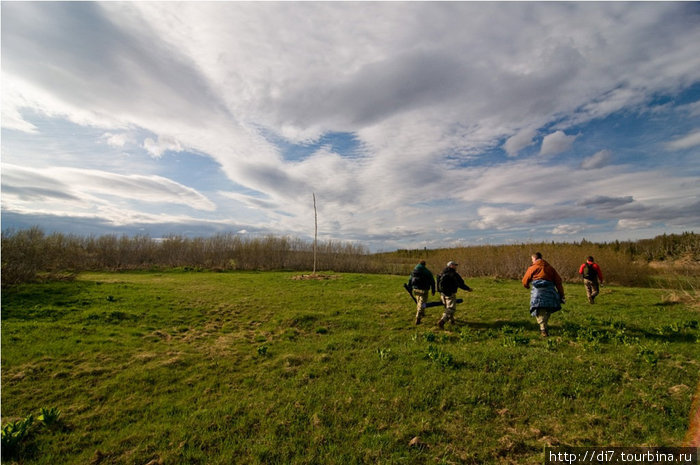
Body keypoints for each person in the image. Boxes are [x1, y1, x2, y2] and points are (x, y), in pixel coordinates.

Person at [522, 252, 565, 337]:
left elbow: (525, 279)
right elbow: (558, 281)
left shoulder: (533, 267)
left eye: (532, 259)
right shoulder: (550, 268)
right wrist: (561, 294)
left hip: (538, 291)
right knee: (547, 309)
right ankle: (544, 326)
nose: (532, 261)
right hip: (550, 291)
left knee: (539, 309)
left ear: (534, 258)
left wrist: (526, 285)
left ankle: (543, 329)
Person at [437, 261, 472, 329]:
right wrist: (468, 289)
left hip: (442, 294)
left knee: (447, 308)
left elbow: (437, 284)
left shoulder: (441, 272)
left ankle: (452, 320)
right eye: (454, 265)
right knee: (451, 308)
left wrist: (439, 292)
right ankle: (442, 321)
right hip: (450, 294)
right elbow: (461, 283)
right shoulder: (453, 274)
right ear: (451, 266)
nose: (456, 266)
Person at [407, 260, 436, 325]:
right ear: (424, 265)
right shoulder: (427, 272)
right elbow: (432, 281)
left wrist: (410, 289)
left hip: (415, 290)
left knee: (419, 302)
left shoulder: (414, 271)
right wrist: (433, 290)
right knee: (423, 303)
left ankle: (422, 313)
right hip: (424, 290)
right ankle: (418, 316)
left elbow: (410, 280)